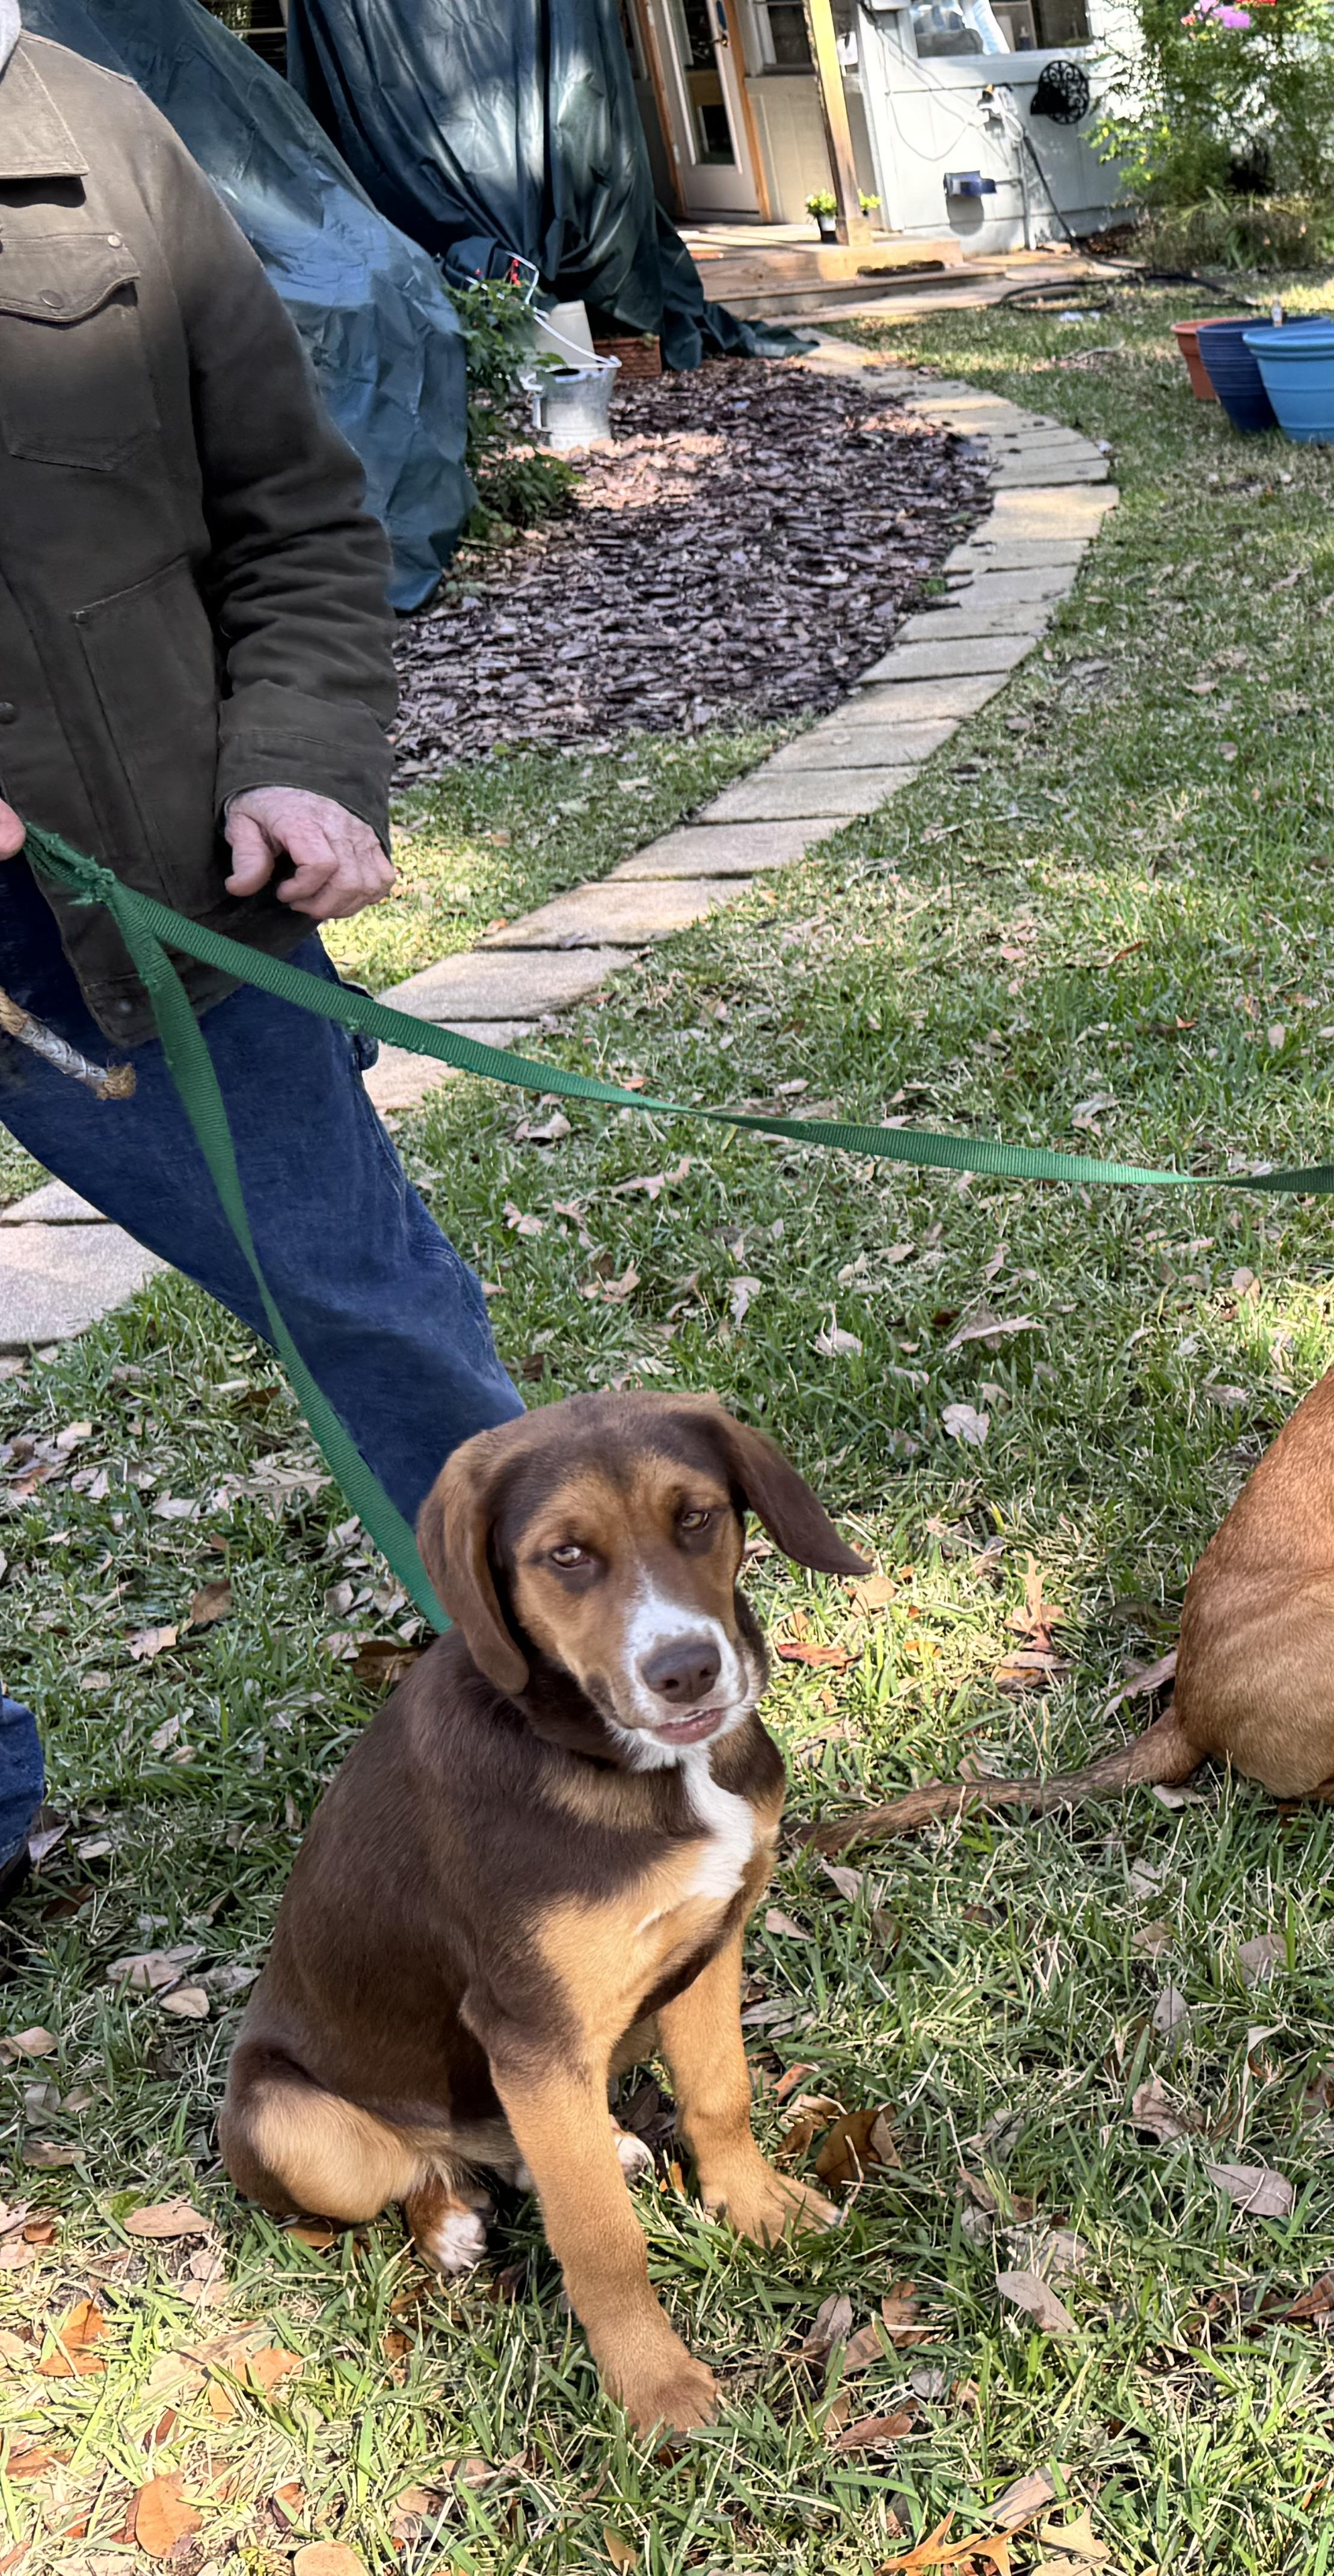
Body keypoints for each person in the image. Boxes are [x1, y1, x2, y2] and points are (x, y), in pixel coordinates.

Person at [0, 1, 521, 1899]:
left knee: (371, 1308)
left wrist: (298, 761)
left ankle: (583, 1721)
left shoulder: (97, 128)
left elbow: (298, 511)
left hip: (150, 914)